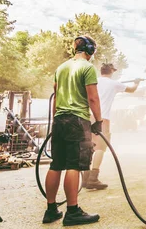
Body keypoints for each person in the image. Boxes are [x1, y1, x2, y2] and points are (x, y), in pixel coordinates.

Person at [42, 36, 103, 226]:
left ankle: (51, 210)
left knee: (56, 164)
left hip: (59, 120)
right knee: (73, 165)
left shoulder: (61, 68)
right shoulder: (87, 68)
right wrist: (98, 121)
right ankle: (72, 212)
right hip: (77, 121)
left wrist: (55, 122)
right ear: (90, 50)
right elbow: (93, 98)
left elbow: (56, 95)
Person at [83, 63, 139, 190]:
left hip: (88, 117)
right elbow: (132, 89)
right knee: (100, 147)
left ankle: (85, 178)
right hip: (102, 118)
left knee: (88, 146)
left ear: (101, 71)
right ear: (112, 71)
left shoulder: (94, 81)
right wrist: (137, 82)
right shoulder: (114, 84)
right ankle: (93, 178)